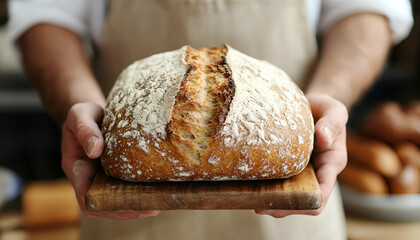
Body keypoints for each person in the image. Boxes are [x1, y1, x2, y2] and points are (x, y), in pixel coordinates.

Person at [7, 0, 413, 239]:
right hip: (124, 216)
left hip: (294, 214)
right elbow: (47, 13)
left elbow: (367, 9)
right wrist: (81, 104)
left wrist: (327, 102)